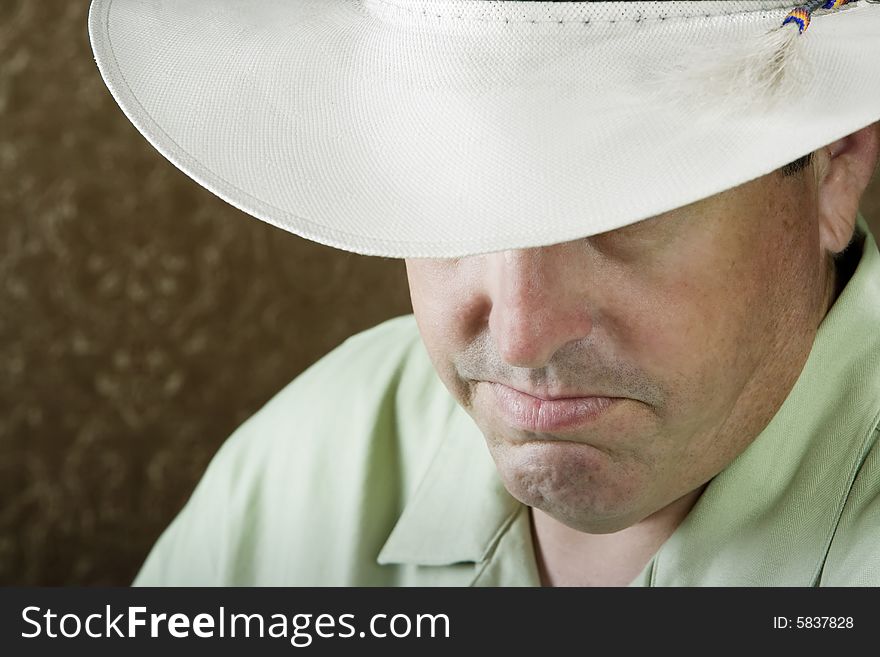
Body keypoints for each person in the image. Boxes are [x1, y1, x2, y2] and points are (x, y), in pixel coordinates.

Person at [88, 0, 880, 585]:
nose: (519, 337)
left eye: (623, 201)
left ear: (835, 162)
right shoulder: (306, 460)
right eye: (452, 196)